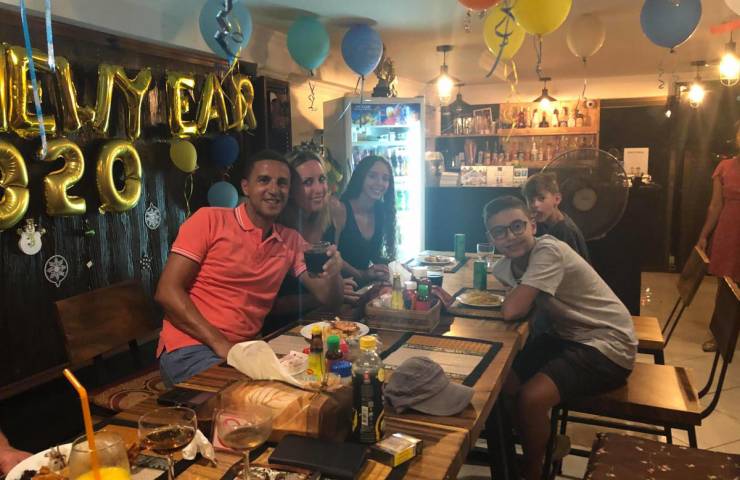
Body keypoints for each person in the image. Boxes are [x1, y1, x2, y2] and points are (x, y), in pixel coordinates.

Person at [155, 149, 344, 387]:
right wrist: (222, 345)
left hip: (247, 351)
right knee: (255, 400)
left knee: (321, 383)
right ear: (246, 187)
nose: (274, 189)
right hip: (191, 348)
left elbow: (329, 298)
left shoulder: (290, 240)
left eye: (282, 183)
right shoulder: (209, 220)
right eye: (264, 180)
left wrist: (334, 273)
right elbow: (167, 292)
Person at [483, 195, 636, 480]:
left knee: (530, 398)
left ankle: (534, 469)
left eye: (517, 226)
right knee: (503, 380)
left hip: (608, 343)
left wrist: (515, 302)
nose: (511, 236)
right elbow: (519, 307)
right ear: (491, 238)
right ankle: (541, 441)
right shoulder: (503, 268)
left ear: (533, 225)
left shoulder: (548, 250)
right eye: (500, 231)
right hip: (569, 335)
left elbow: (513, 309)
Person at [263, 150, 354, 334]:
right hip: (281, 329)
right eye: (307, 182)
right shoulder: (276, 231)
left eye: (322, 179)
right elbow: (268, 306)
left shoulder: (330, 218)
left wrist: (337, 279)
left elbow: (332, 296)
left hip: (318, 320)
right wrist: (319, 297)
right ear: (289, 189)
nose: (319, 189)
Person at [697, 126, 740, 351]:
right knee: (725, 284)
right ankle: (720, 335)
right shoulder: (724, 166)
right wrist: (704, 235)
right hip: (728, 230)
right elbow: (715, 206)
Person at [336, 155, 397, 286]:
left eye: (385, 178)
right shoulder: (341, 209)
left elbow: (373, 255)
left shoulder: (380, 211)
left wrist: (392, 268)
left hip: (364, 286)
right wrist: (361, 274)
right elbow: (331, 255)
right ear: (361, 177)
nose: (379, 183)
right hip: (341, 286)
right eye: (372, 176)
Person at [522, 172, 589, 261]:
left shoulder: (566, 231)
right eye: (530, 200)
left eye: (541, 198)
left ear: (557, 199)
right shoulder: (540, 223)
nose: (535, 205)